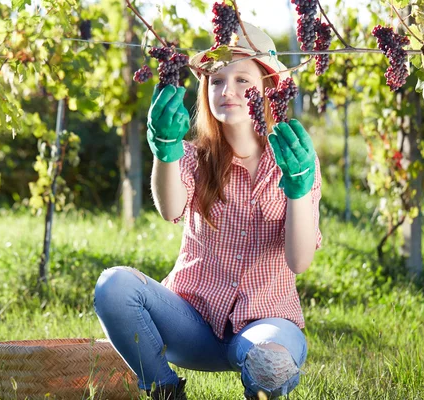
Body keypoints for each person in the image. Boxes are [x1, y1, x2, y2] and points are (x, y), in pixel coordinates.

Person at [94, 21, 322, 400]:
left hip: (264, 324)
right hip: (190, 326)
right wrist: (164, 150)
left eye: (242, 81)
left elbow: (299, 262)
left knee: (271, 364)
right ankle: (165, 391)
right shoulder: (192, 156)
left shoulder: (295, 160)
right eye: (216, 81)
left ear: (268, 90)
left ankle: (260, 382)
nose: (227, 91)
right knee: (114, 285)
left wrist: (298, 190)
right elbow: (170, 209)